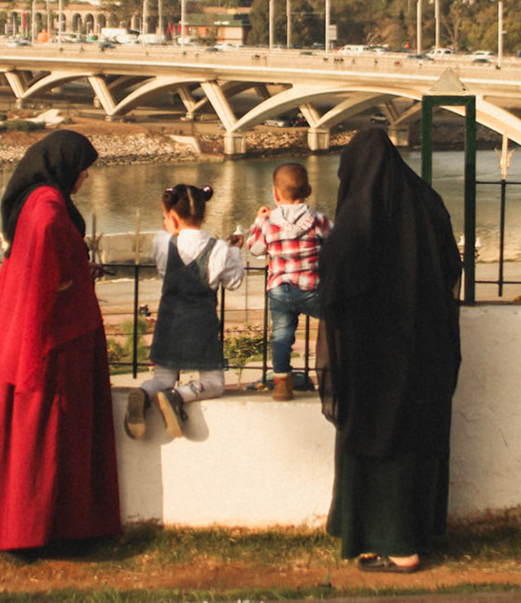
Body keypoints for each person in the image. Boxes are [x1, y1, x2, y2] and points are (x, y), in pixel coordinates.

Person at [0, 131, 121, 552]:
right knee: (57, 429)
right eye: (83, 169)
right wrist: (62, 280)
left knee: (36, 429)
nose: (84, 177)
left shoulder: (34, 197)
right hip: (60, 337)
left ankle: (28, 527)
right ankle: (51, 529)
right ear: (65, 165)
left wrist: (69, 272)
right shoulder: (48, 204)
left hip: (56, 332)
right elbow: (48, 236)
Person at [318, 129, 462, 574]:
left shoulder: (359, 216)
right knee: (417, 440)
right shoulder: (427, 203)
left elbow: (338, 283)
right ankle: (414, 535)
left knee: (378, 441)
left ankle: (399, 548)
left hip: (374, 356)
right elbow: (451, 267)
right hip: (427, 349)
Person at [124, 183, 245, 441]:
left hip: (168, 321)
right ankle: (178, 396)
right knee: (214, 383)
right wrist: (234, 251)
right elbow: (234, 282)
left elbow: (163, 272)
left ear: (173, 217)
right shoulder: (218, 248)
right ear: (204, 213)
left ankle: (144, 393)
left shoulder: (162, 243)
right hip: (201, 325)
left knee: (162, 378)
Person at [244, 161, 332, 400]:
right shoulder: (318, 220)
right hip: (312, 289)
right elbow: (334, 244)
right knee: (337, 318)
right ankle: (337, 372)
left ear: (275, 194)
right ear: (309, 190)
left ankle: (282, 383)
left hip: (280, 290)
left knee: (281, 336)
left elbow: (255, 248)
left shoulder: (268, 222)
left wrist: (257, 221)